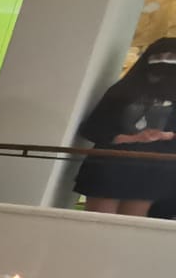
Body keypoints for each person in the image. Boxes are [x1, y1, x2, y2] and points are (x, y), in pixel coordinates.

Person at [73, 38, 176, 216]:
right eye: (160, 56)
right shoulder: (123, 90)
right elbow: (93, 127)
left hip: (154, 170)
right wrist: (129, 138)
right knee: (97, 224)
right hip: (112, 164)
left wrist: (166, 136)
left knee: (130, 228)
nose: (165, 61)